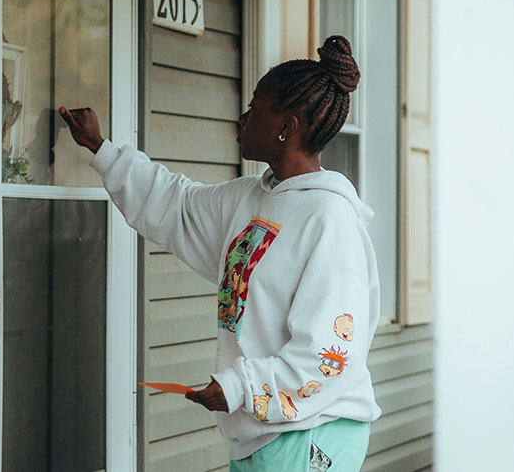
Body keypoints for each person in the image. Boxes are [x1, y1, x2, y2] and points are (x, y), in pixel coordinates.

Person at [59, 35, 382, 472]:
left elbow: (329, 353)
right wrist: (103, 150)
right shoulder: (252, 198)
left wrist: (240, 386)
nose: (243, 117)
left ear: (286, 126)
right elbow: (178, 205)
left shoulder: (330, 219)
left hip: (313, 432)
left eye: (256, 107)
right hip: (261, 435)